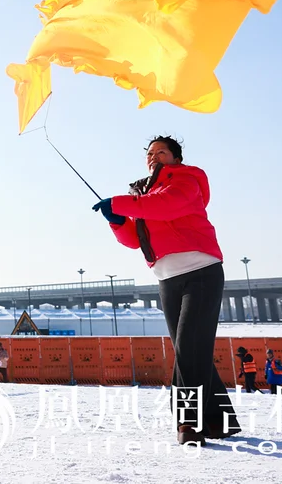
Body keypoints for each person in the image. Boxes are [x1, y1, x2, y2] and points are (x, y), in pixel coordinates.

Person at [92, 135, 239, 446]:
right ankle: (219, 419)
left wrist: (120, 202)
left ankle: (189, 420)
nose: (154, 156)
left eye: (161, 151)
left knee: (188, 349)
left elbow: (167, 207)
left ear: (176, 158)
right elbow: (136, 239)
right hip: (167, 278)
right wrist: (117, 221)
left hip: (200, 270)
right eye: (149, 153)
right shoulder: (144, 194)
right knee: (191, 348)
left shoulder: (187, 179)